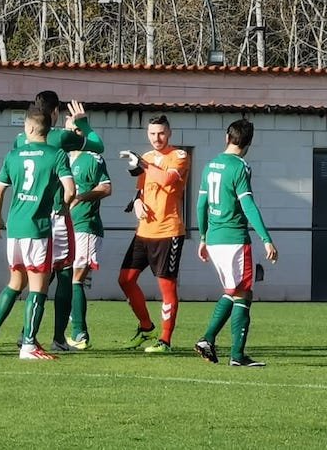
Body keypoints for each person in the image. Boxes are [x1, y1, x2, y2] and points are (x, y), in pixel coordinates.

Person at [0, 105, 75, 360]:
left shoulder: (13, 155)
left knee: (15, 282)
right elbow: (71, 189)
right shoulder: (57, 155)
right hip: (39, 228)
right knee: (38, 288)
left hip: (15, 228)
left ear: (30, 127)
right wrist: (63, 204)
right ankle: (29, 345)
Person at [12, 90, 105, 352]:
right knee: (64, 275)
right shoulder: (60, 136)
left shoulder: (20, 140)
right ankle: (58, 339)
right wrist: (82, 122)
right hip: (57, 214)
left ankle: (22, 334)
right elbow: (98, 145)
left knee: (30, 279)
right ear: (55, 113)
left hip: (29, 217)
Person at [194, 119, 276, 367]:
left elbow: (201, 205)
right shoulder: (240, 167)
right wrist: (266, 238)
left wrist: (203, 237)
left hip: (215, 239)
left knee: (237, 290)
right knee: (241, 292)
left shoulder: (210, 166)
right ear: (248, 143)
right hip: (235, 238)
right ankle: (217, 344)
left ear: (226, 137)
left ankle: (233, 354)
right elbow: (247, 205)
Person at [118, 115, 190, 353]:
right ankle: (146, 326)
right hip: (144, 232)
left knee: (167, 288)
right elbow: (141, 190)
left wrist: (143, 163)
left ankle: (165, 340)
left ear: (169, 133)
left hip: (168, 232)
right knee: (125, 280)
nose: (156, 138)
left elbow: (167, 179)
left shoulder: (179, 156)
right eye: (151, 134)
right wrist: (137, 203)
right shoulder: (147, 158)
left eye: (160, 133)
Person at [64, 146, 111, 350]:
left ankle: (79, 333)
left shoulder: (92, 159)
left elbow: (106, 188)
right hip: (63, 226)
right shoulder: (60, 157)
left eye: (77, 129)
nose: (73, 134)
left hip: (86, 225)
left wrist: (80, 197)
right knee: (64, 278)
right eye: (69, 129)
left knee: (77, 278)